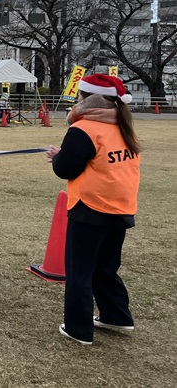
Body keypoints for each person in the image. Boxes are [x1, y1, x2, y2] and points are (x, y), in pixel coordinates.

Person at [46, 73, 140, 346]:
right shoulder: (122, 126)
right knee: (105, 267)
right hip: (121, 207)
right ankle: (116, 315)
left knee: (80, 271)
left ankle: (78, 328)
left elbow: (66, 168)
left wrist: (58, 158)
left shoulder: (85, 128)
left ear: (86, 98)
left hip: (91, 207)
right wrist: (65, 154)